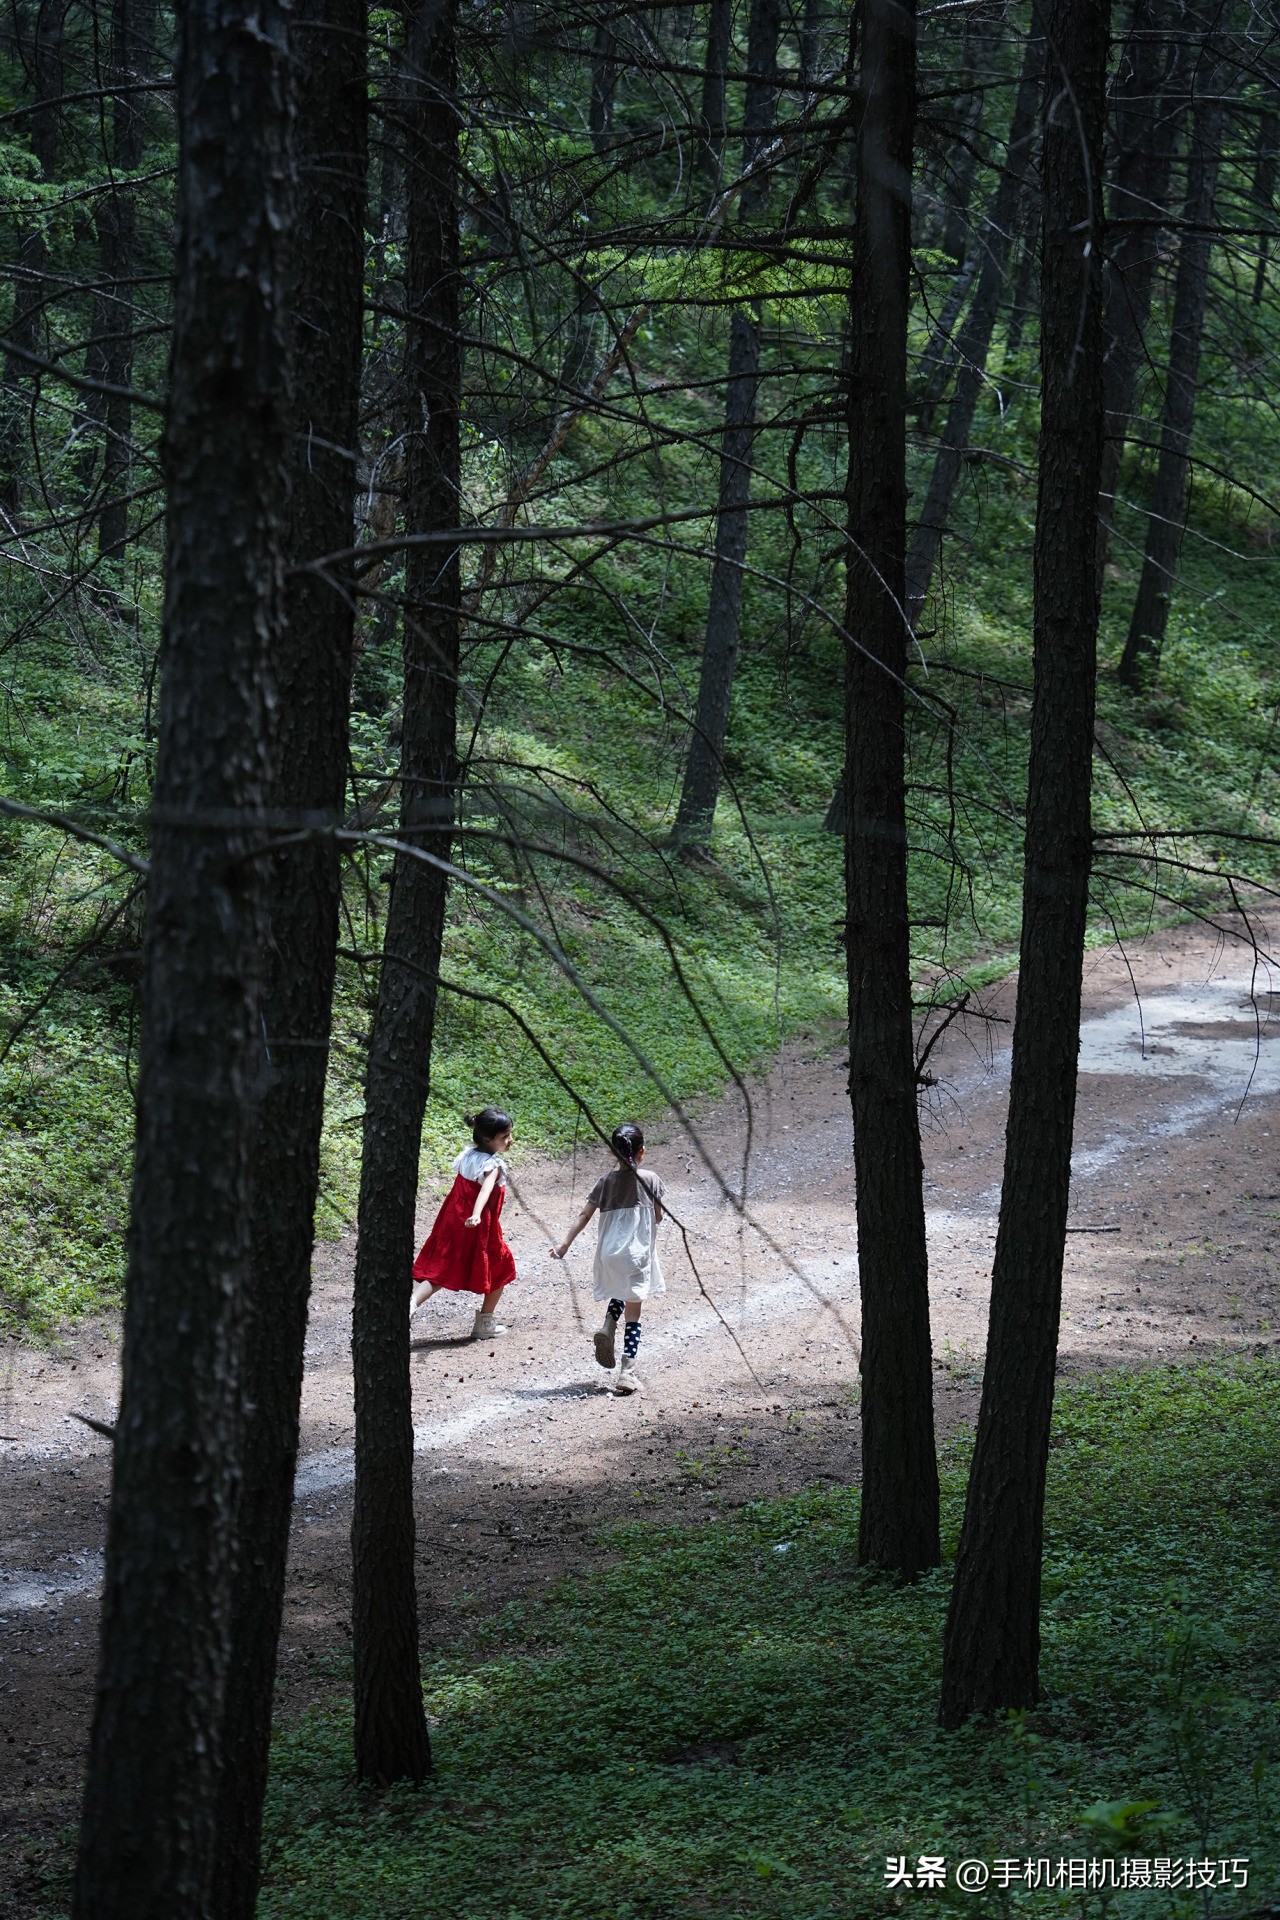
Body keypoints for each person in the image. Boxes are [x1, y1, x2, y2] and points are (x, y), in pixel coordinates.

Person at [550, 1122, 664, 1394]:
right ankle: (628, 1371)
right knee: (634, 1314)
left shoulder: (605, 1182)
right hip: (636, 1254)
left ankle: (608, 1323)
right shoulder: (650, 1180)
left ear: (614, 1153)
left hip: (609, 1253)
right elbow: (658, 1216)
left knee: (620, 1287)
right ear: (641, 1152)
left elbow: (584, 1215)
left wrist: (564, 1244)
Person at [410, 1107, 517, 1339]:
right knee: (501, 1266)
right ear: (488, 1139)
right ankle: (484, 1323)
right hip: (479, 1226)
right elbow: (486, 1191)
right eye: (505, 1137)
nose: (510, 1140)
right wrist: (477, 1214)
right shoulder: (493, 1165)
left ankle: (410, 1304)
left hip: (453, 1220)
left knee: (444, 1266)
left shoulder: (468, 1156)